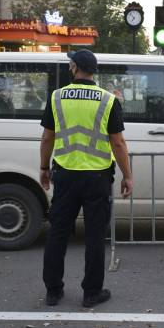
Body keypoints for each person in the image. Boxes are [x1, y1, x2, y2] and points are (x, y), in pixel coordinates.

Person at [39, 49, 133, 308]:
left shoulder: (57, 97)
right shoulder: (107, 100)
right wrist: (128, 176)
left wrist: (44, 168)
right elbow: (118, 142)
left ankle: (53, 292)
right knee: (94, 236)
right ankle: (91, 293)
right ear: (93, 71)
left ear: (74, 67)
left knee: (58, 233)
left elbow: (48, 137)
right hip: (97, 177)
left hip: (66, 176)